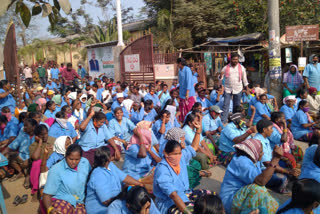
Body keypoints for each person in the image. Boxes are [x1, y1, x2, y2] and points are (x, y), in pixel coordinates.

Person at [153, 127, 212, 214]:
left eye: (179, 153)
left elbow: (194, 147)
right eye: (175, 154)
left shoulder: (181, 157)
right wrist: (186, 211)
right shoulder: (162, 170)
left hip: (186, 193)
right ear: (166, 153)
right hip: (169, 202)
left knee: (211, 199)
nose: (178, 156)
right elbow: (173, 195)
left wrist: (198, 131)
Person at [220, 139, 280, 214]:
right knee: (258, 189)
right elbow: (261, 181)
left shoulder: (255, 161)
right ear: (253, 152)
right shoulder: (241, 161)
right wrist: (276, 159)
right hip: (230, 201)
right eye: (260, 152)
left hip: (242, 196)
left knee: (266, 197)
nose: (262, 154)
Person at [85, 146, 145, 214]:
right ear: (109, 158)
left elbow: (124, 177)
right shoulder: (98, 175)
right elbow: (106, 202)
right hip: (101, 210)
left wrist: (140, 184)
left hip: (115, 203)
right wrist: (123, 194)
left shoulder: (110, 165)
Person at [254, 119, 299, 192]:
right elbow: (267, 163)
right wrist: (288, 172)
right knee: (283, 178)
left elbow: (270, 155)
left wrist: (284, 159)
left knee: (287, 165)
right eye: (271, 128)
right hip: (262, 170)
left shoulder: (265, 139)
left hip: (269, 164)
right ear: (264, 130)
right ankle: (280, 188)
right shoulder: (259, 141)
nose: (272, 131)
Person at [43, 144, 91, 214]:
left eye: (77, 159)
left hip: (79, 201)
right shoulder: (56, 170)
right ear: (65, 156)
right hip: (62, 199)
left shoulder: (85, 163)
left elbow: (89, 179)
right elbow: (47, 195)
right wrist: (50, 209)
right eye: (71, 159)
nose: (74, 162)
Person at [6, 119, 37, 189]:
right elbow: (13, 145)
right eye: (24, 125)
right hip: (21, 156)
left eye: (26, 126)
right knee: (10, 156)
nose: (24, 127)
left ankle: (27, 175)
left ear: (33, 127)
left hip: (31, 158)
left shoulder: (37, 136)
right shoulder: (23, 134)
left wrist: (29, 159)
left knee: (32, 163)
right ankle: (21, 172)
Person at [220, 53, 249, 123]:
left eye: (236, 59)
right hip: (228, 89)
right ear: (231, 59)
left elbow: (244, 79)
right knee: (226, 105)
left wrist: (247, 88)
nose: (235, 61)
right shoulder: (225, 68)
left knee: (237, 106)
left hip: (238, 89)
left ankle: (235, 121)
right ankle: (223, 122)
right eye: (234, 59)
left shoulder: (241, 68)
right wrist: (220, 76)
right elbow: (220, 79)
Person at [177, 58, 196, 122]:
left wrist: (187, 93)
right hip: (182, 92)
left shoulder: (187, 70)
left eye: (178, 63)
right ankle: (183, 121)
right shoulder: (179, 70)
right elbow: (180, 81)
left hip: (188, 93)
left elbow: (189, 81)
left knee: (189, 108)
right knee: (182, 108)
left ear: (180, 63)